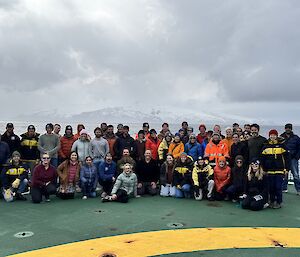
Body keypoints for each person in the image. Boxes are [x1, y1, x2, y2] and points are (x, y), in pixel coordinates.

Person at [261, 129, 289, 209]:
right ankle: (272, 201)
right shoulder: (265, 146)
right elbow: (262, 159)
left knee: (278, 187)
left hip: (279, 170)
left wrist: (286, 169)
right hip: (269, 171)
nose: (272, 136)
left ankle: (279, 202)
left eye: (274, 135)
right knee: (271, 187)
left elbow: (287, 158)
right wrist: (264, 169)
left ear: (276, 136)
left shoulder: (281, 146)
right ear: (269, 136)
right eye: (271, 135)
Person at [281, 123, 300, 194]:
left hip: (293, 159)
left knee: (295, 175)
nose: (288, 129)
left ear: (291, 129)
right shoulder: (281, 137)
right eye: (286, 128)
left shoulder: (296, 137)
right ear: (285, 128)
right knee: (284, 174)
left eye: (289, 128)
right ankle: (284, 188)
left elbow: (299, 148)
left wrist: (297, 157)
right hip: (284, 158)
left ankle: (298, 189)